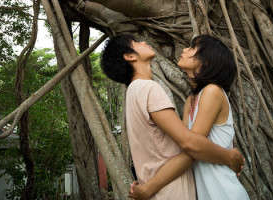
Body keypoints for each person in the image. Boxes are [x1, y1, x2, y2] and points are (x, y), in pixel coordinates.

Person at [101, 34, 244, 200]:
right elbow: (189, 144)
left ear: (206, 60)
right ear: (130, 56)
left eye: (192, 48)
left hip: (223, 191)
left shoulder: (211, 91)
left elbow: (190, 145)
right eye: (136, 42)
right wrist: (230, 157)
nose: (184, 49)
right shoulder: (155, 90)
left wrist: (148, 186)